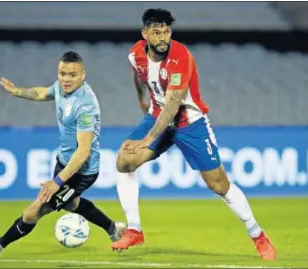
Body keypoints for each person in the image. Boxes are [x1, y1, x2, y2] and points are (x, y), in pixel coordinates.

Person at [111, 8, 276, 260]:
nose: (163, 37)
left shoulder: (179, 56)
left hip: (189, 122)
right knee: (124, 161)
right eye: (157, 32)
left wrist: (147, 139)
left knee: (219, 184)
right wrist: (141, 99)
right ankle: (134, 229)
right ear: (145, 34)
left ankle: (258, 235)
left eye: (167, 31)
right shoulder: (135, 54)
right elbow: (138, 74)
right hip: (157, 116)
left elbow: (173, 103)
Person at [0, 51, 125, 256]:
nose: (66, 79)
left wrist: (57, 182)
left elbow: (84, 152)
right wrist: (17, 92)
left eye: (72, 75)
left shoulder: (85, 105)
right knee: (72, 203)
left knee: (35, 210)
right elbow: (42, 93)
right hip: (64, 162)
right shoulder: (60, 87)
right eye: (62, 73)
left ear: (83, 75)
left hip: (81, 171)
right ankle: (114, 229)